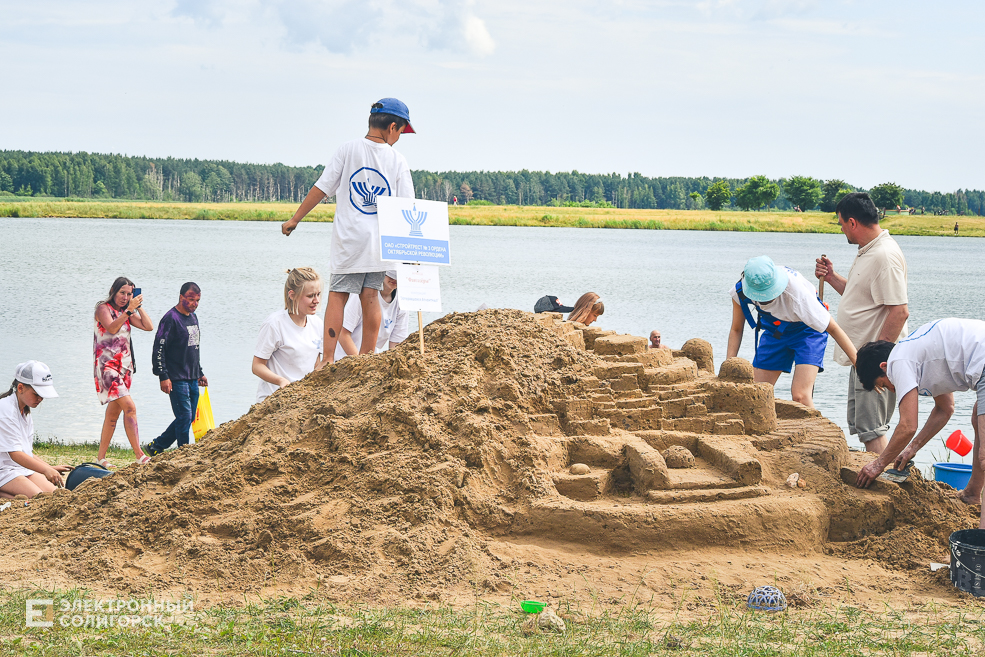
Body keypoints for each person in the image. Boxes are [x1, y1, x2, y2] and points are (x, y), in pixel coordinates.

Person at [281, 98, 416, 369]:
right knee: (371, 296)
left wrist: (296, 218)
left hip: (349, 241)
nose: (399, 137)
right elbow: (407, 207)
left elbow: (322, 187)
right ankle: (367, 358)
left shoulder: (348, 149)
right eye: (400, 132)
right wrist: (410, 251)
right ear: (392, 126)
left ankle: (329, 359)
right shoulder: (397, 160)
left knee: (338, 296)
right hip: (380, 245)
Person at [854, 319, 985, 525]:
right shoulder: (916, 355)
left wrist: (878, 465)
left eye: (884, 384)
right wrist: (912, 448)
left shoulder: (898, 360)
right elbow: (945, 409)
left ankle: (981, 538)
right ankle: (972, 494)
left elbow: (907, 426)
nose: (892, 390)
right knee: (979, 417)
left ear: (884, 367)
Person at [815, 192, 909, 452]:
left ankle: (881, 482)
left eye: (841, 223)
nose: (842, 229)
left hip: (874, 361)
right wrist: (832, 277)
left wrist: (877, 364)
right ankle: (877, 476)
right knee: (864, 426)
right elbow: (861, 298)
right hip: (863, 357)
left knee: (872, 428)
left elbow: (899, 311)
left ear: (853, 222)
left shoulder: (884, 256)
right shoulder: (869, 251)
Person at [728, 256, 858, 408]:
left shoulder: (797, 294)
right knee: (756, 393)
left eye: (768, 296)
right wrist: (728, 367)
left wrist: (859, 365)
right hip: (775, 331)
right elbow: (736, 329)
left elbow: (834, 329)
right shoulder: (740, 292)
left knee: (800, 396)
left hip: (808, 331)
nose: (764, 301)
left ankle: (813, 430)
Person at [93, 277, 154, 467]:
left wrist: (138, 306)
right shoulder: (103, 309)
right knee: (130, 407)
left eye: (129, 294)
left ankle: (100, 458)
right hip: (107, 367)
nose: (125, 297)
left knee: (113, 415)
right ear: (113, 290)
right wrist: (128, 310)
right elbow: (111, 327)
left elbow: (148, 326)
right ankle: (139, 455)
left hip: (125, 368)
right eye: (122, 293)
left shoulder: (125, 312)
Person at [144, 283, 208, 456]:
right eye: (191, 299)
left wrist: (199, 372)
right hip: (176, 377)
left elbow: (194, 348)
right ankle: (183, 453)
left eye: (198, 300)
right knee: (184, 417)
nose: (195, 304)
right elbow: (158, 348)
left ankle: (156, 446)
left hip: (192, 377)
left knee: (187, 418)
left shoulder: (193, 318)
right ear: (181, 297)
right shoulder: (170, 318)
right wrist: (163, 376)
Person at [0, 361, 71, 499]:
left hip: (18, 468)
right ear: (20, 388)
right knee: (40, 499)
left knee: (57, 496)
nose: (40, 399)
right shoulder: (5, 410)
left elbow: (26, 452)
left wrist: (50, 467)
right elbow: (15, 454)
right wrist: (45, 470)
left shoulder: (25, 412)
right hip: (4, 470)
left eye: (42, 395)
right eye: (36, 394)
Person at [252, 268, 324, 403]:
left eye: (318, 294)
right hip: (273, 398)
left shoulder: (318, 324)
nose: (317, 300)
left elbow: (316, 363)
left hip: (303, 399)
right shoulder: (275, 324)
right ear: (292, 295)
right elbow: (257, 366)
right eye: (310, 296)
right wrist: (281, 381)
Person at [334, 271, 409, 360]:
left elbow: (396, 344)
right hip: (344, 358)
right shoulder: (362, 295)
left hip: (369, 358)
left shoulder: (402, 302)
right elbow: (342, 333)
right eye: (390, 274)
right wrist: (361, 363)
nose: (394, 279)